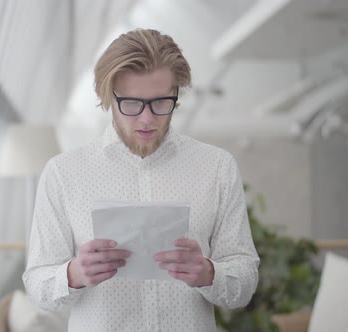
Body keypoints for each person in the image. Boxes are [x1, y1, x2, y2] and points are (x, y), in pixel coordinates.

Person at [22, 28, 259, 332]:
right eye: (132, 104)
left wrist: (210, 274)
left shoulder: (217, 167)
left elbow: (245, 279)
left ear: (177, 93)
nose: (147, 119)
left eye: (161, 102)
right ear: (108, 98)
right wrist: (74, 274)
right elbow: (37, 283)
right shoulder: (63, 173)